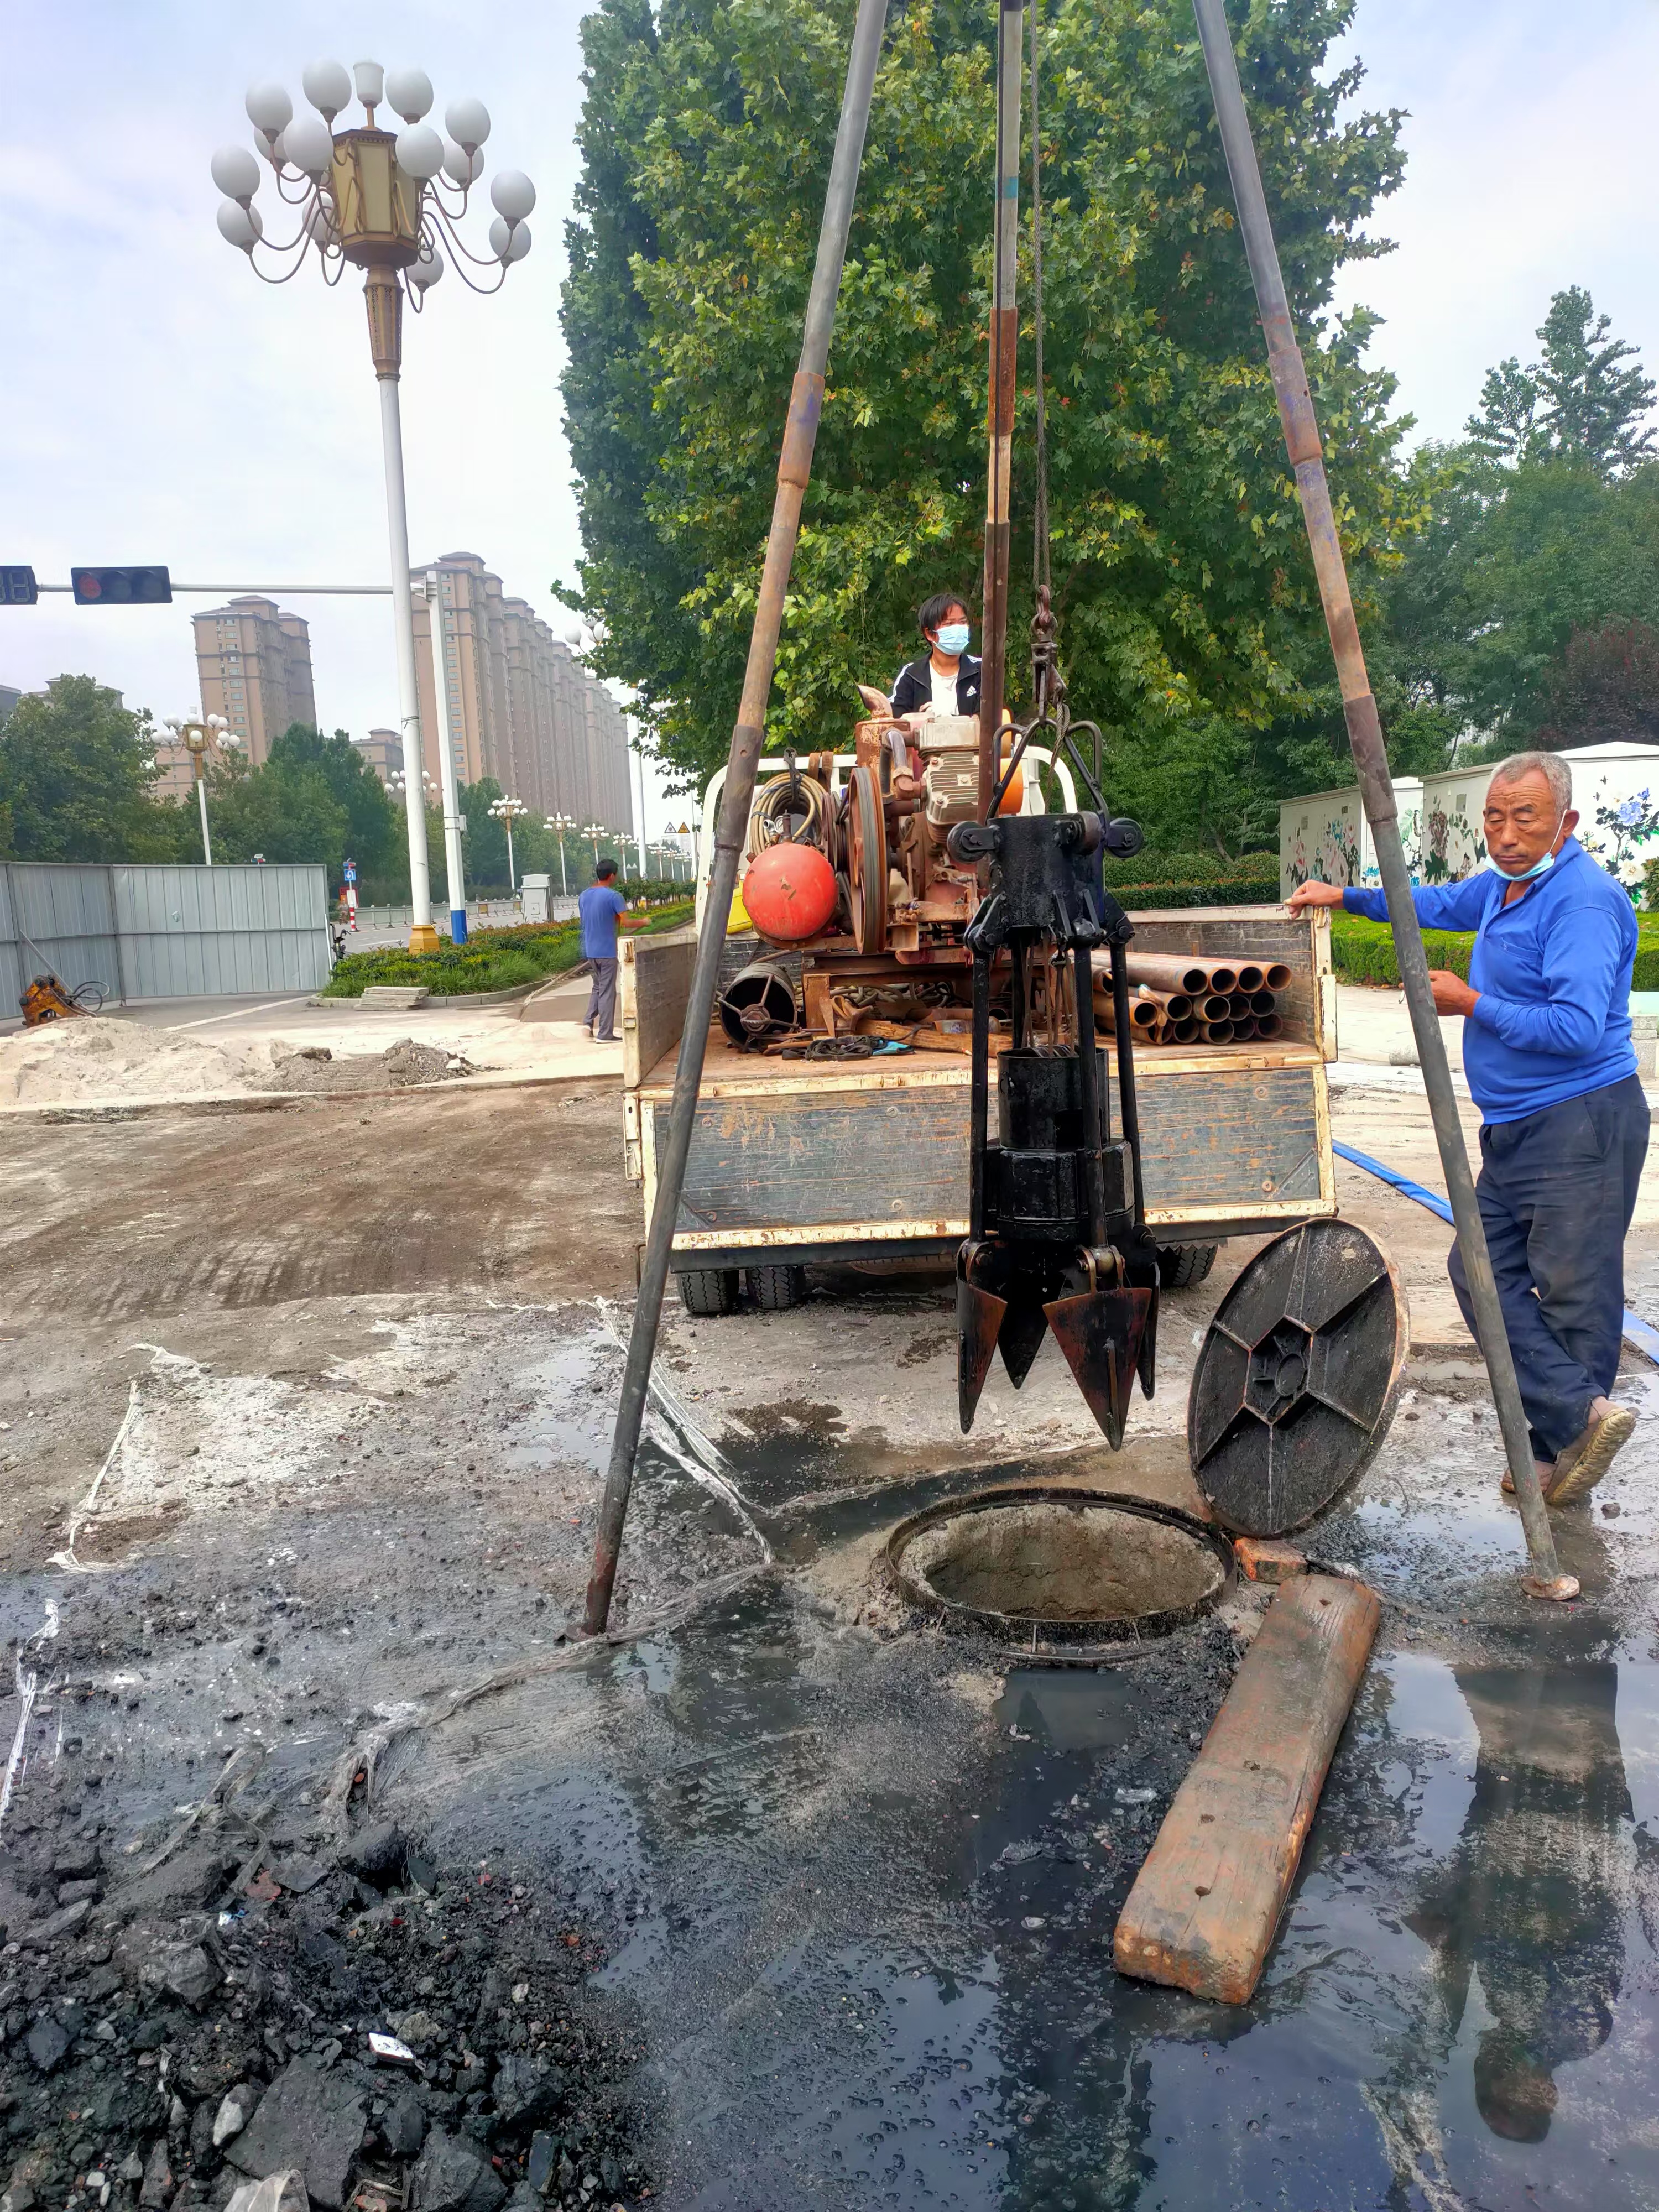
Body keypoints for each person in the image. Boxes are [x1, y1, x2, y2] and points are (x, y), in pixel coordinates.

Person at [1290, 750, 1646, 1505]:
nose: (1507, 833)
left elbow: (1579, 1029)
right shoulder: (1506, 887)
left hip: (1580, 1121)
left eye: (1527, 818)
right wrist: (1347, 896)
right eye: (1495, 816)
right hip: (1517, 1129)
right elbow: (1438, 902)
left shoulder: (1580, 902)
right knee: (1478, 1273)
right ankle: (1577, 1419)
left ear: (1567, 824)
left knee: (1575, 1294)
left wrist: (1471, 1003)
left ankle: (1560, 1458)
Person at [889, 592, 982, 728]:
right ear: (929, 633)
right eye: (949, 624)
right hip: (926, 749)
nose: (958, 629)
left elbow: (990, 721)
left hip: (973, 749)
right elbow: (894, 722)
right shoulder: (912, 675)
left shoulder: (982, 670)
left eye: (963, 622)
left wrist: (948, 719)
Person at [578, 859, 628, 1043]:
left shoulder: (583, 896)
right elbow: (626, 922)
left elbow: (588, 920)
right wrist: (646, 922)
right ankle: (605, 1033)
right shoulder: (614, 896)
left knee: (598, 988)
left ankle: (588, 1023)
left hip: (591, 952)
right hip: (607, 953)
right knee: (607, 991)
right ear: (612, 875)